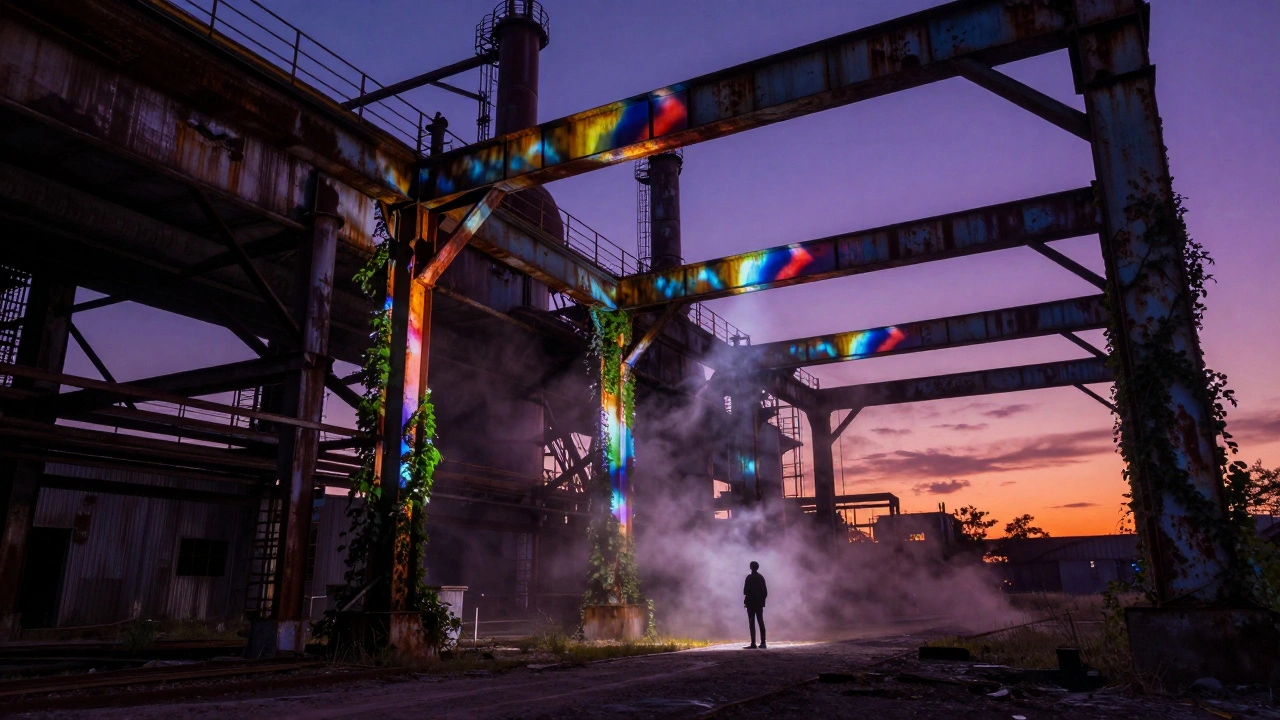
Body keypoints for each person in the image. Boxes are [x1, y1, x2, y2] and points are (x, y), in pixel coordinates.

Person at [743, 560, 767, 649]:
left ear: (750, 567)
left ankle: (753, 643)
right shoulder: (761, 577)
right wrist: (761, 601)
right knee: (761, 621)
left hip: (750, 603)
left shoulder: (748, 578)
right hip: (759, 604)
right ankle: (763, 643)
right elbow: (765, 592)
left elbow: (745, 591)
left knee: (751, 622)